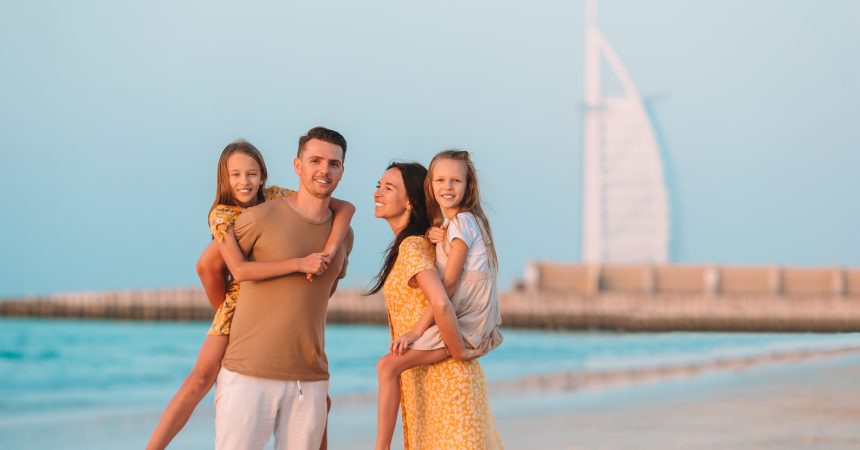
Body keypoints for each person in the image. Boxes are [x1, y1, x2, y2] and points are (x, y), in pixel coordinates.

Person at [146, 138, 353, 450]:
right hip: (237, 301)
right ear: (224, 179)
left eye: (252, 174)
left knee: (320, 400)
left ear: (263, 176)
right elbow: (215, 268)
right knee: (200, 379)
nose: (245, 182)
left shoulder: (274, 198)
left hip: (290, 340)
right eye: (236, 175)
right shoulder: (224, 215)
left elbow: (344, 207)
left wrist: (329, 251)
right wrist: (227, 307)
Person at [215, 126, 353, 450]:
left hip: (310, 378)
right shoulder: (258, 218)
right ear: (297, 166)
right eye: (315, 160)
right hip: (248, 374)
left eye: (334, 163)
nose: (324, 170)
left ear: (342, 170)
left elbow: (324, 291)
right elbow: (211, 266)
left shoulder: (344, 236)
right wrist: (224, 315)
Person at [370, 162, 503, 450]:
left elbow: (442, 299)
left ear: (411, 202)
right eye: (378, 185)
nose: (378, 193)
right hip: (438, 384)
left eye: (389, 188)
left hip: (447, 386)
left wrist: (457, 351)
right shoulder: (427, 241)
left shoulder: (412, 247)